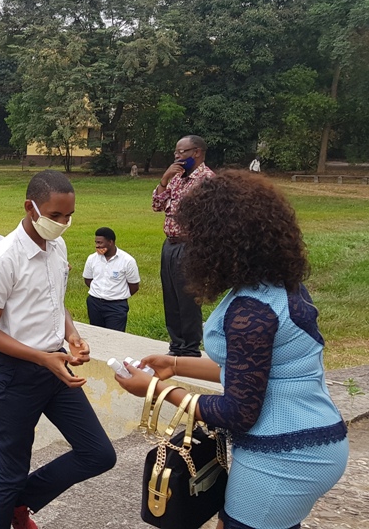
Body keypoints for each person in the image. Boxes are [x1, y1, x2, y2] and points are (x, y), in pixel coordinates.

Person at [116, 171, 349, 529]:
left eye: (195, 235)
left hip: (281, 454)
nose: (189, 244)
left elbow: (238, 412)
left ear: (222, 240)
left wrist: (155, 390)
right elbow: (251, 371)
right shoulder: (281, 288)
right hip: (314, 440)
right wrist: (176, 364)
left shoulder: (250, 311)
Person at [0, 170, 116, 529]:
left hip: (56, 366)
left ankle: (21, 502)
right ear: (30, 207)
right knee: (10, 473)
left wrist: (71, 334)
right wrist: (42, 357)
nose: (63, 223)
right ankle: (10, 501)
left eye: (68, 216)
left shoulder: (58, 246)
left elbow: (56, 301)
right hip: (18, 372)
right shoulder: (3, 258)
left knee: (98, 454)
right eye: (55, 216)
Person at [153, 135, 215, 357]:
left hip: (190, 246)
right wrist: (164, 179)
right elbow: (156, 205)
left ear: (196, 152)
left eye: (182, 152)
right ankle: (176, 344)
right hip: (170, 245)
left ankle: (190, 348)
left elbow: (212, 218)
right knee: (171, 296)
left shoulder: (207, 180)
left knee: (187, 298)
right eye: (176, 153)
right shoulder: (177, 178)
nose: (177, 156)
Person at [82, 227, 140, 333]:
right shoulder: (92, 258)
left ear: (110, 242)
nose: (97, 246)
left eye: (100, 243)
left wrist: (116, 295)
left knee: (115, 338)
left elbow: (134, 286)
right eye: (96, 242)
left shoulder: (127, 261)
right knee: (96, 335)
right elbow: (87, 279)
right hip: (94, 304)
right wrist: (99, 292)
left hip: (116, 307)